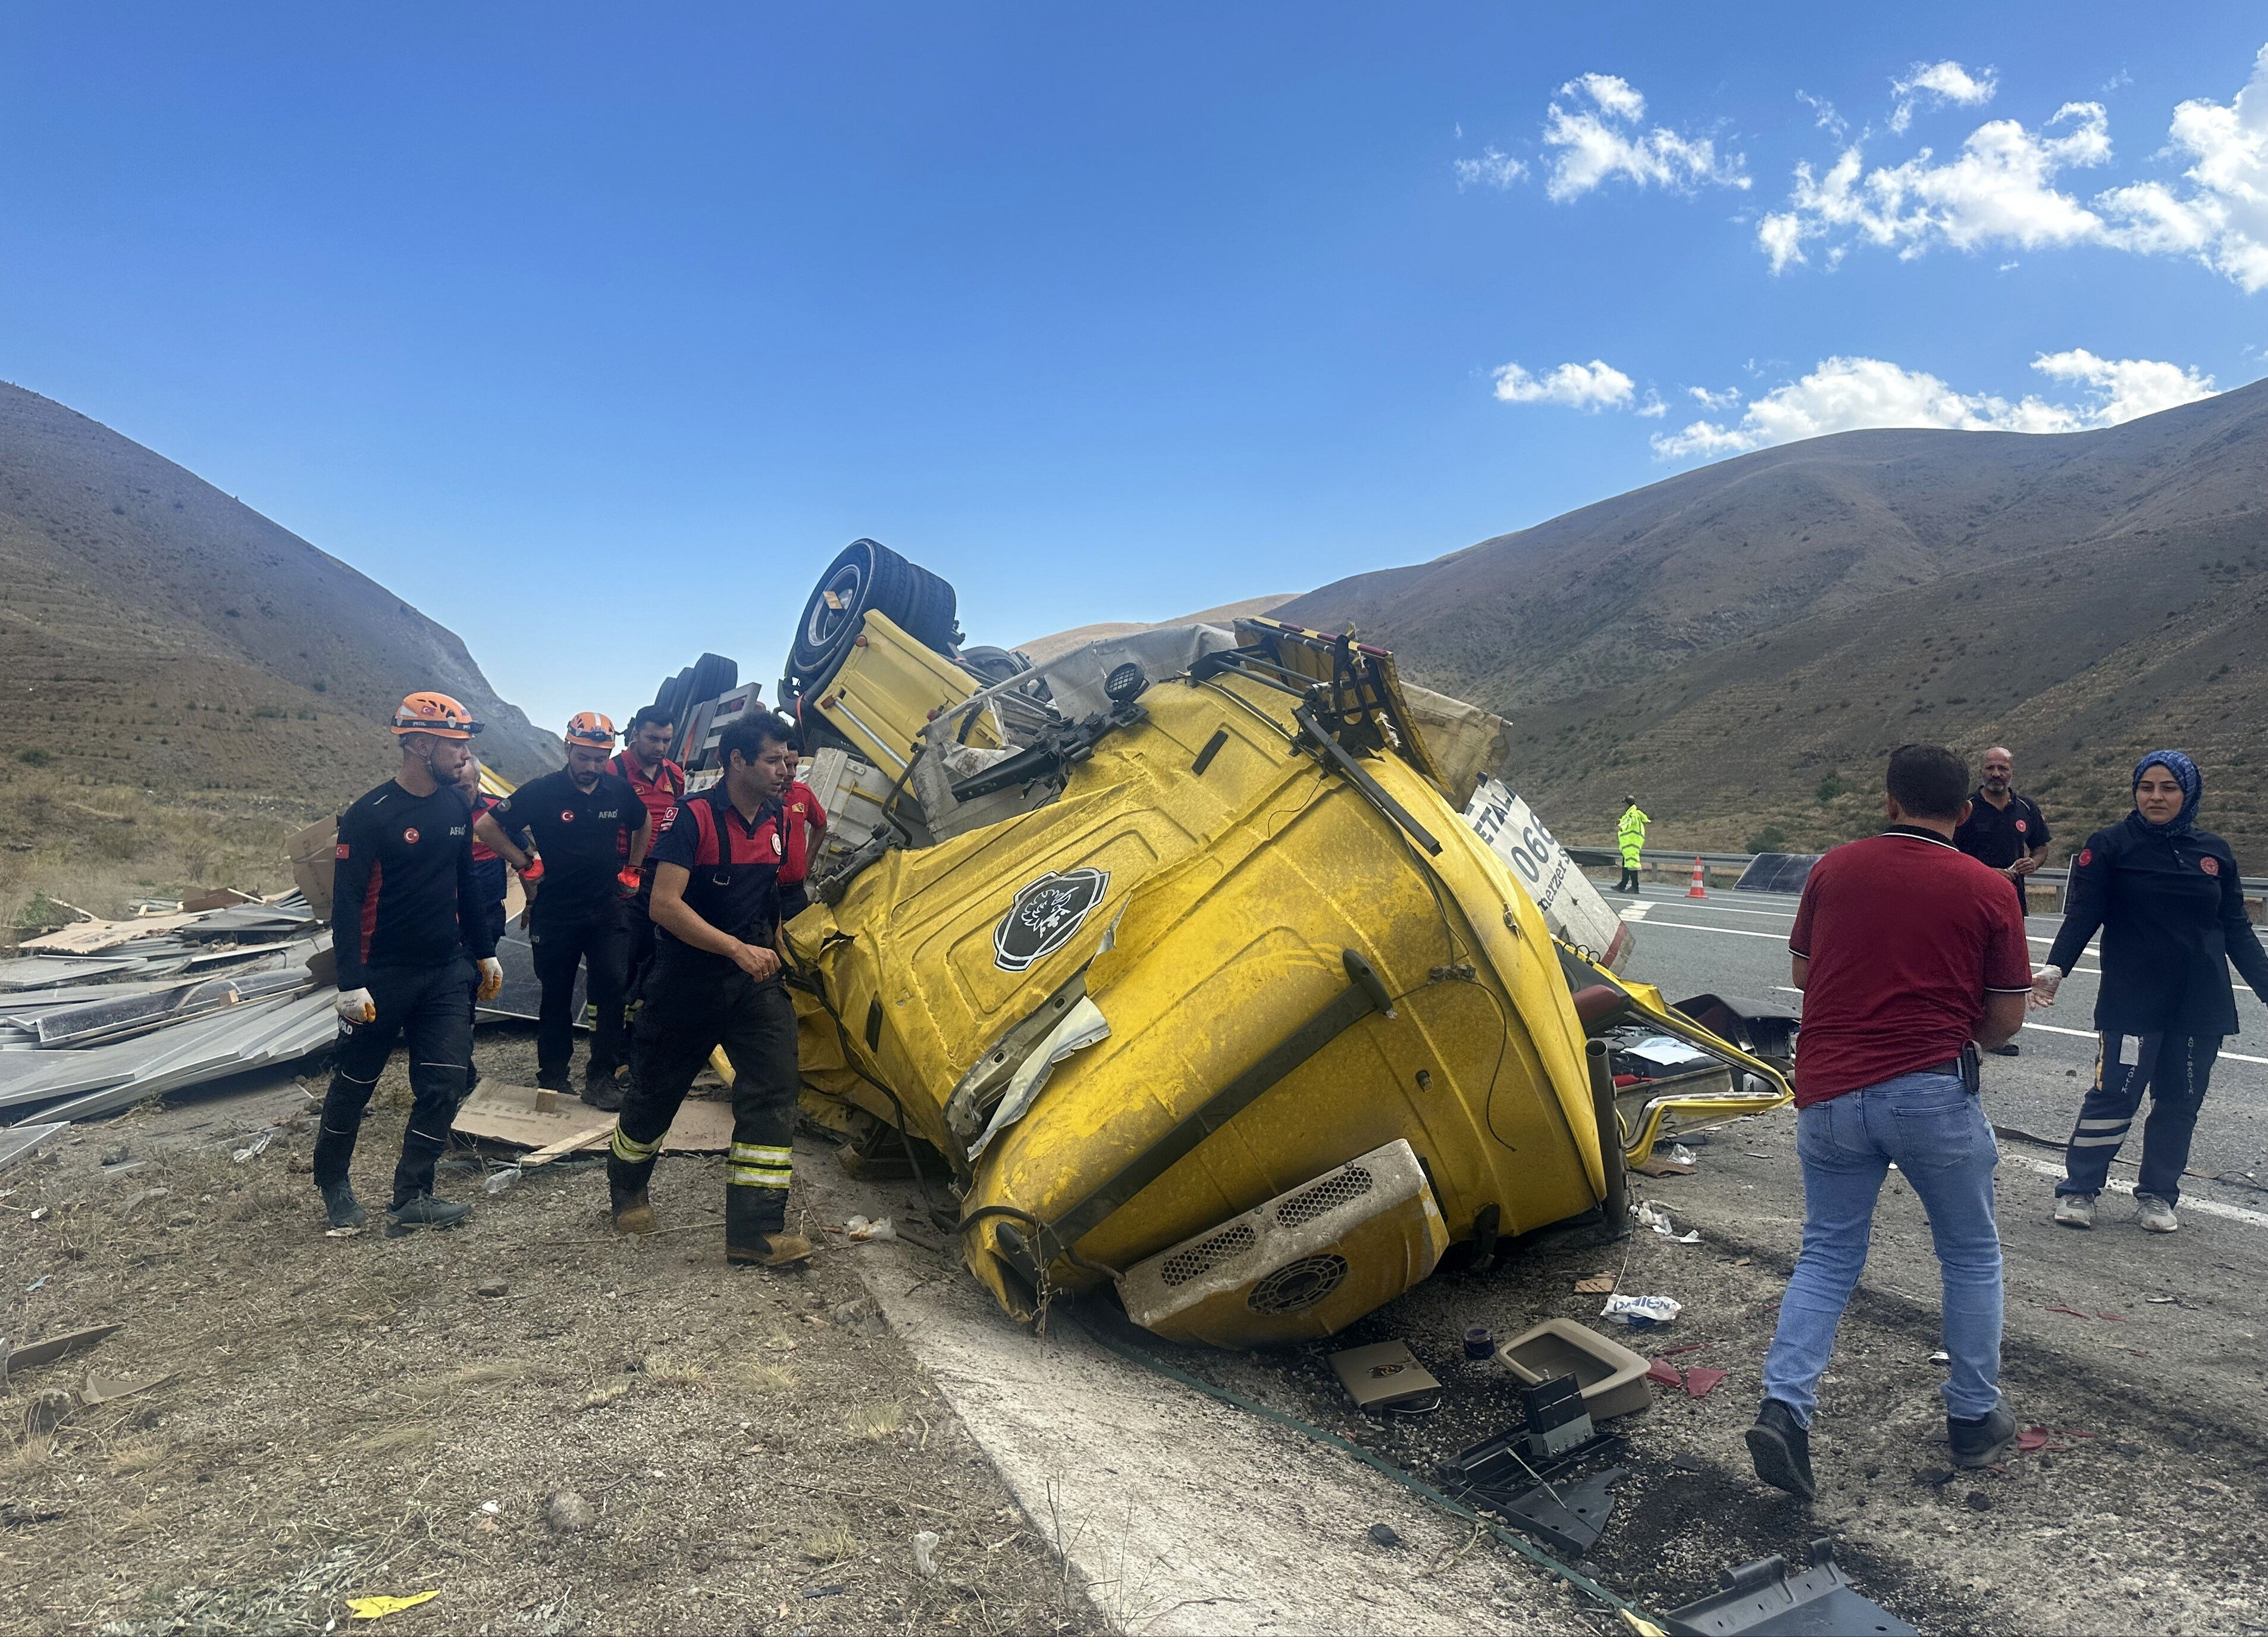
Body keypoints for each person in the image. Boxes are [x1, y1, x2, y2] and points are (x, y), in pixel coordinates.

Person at [1745, 744, 2030, 1501]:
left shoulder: (1832, 869)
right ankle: (1971, 1417)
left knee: (1826, 1255)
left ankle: (1783, 1409)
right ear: (1963, 812)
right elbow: (2004, 1019)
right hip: (1930, 1093)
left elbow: (1804, 971)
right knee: (1969, 1254)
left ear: (1888, 801)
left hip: (1829, 1094)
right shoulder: (1988, 888)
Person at [2032, 751, 2268, 1234]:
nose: (2156, 797)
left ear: (2188, 794)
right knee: (2114, 1095)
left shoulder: (2215, 852)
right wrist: (2055, 968)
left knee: (2179, 1103)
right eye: (2146, 787)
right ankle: (2079, 1189)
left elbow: (2238, 929)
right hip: (2131, 1000)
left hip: (2199, 1002)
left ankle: (2158, 1195)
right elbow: (2083, 914)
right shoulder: (2110, 845)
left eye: (2168, 788)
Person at [608, 710, 812, 1268]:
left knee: (774, 1088)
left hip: (754, 983)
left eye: (787, 759)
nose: (785, 770)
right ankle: (627, 1189)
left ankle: (755, 1232)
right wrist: (734, 948)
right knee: (656, 1093)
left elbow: (768, 895)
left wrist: (776, 948)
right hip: (687, 983)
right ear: (737, 760)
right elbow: (663, 905)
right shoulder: (692, 818)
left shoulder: (777, 818)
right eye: (773, 760)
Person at [315, 692, 505, 1237]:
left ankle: (413, 1194)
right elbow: (346, 903)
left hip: (445, 970)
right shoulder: (369, 815)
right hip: (380, 976)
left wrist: (485, 950)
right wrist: (350, 982)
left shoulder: (456, 808)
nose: (465, 756)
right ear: (420, 744)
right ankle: (333, 1182)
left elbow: (466, 883)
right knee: (355, 1084)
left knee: (445, 1083)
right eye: (456, 745)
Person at [477, 713, 651, 1110]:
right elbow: (487, 826)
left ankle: (601, 1077)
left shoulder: (618, 790)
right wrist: (524, 862)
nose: (592, 766)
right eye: (584, 757)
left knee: (612, 988)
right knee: (556, 994)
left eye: (600, 759)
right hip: (556, 911)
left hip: (607, 909)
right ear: (568, 747)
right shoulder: (542, 791)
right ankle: (553, 1077)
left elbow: (643, 823)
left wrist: (634, 869)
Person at [1953, 747, 2051, 1056]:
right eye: (1991, 768)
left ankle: (1994, 1034)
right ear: (1982, 770)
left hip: (2010, 901)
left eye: (2003, 769)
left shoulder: (2026, 808)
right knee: (1968, 964)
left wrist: (2034, 863)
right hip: (1970, 899)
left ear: (2012, 772)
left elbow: (2041, 847)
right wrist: (1985, 872)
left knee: (2002, 965)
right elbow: (1948, 850)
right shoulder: (1966, 807)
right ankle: (1961, 1028)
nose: (1996, 774)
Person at [609, 705, 687, 1012]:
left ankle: (637, 1022)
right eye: (653, 739)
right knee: (620, 951)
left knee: (652, 949)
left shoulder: (675, 775)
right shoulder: (613, 771)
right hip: (621, 871)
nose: (661, 747)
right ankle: (609, 1027)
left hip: (661, 874)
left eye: (667, 741)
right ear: (635, 734)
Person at [776, 771, 829, 921]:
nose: (792, 773)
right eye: (788, 765)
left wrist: (808, 864)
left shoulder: (802, 793)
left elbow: (821, 824)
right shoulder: (759, 796)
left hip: (794, 894)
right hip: (762, 894)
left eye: (795, 765)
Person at [1615, 797, 1648, 894]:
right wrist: (1620, 822)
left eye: (1624, 804)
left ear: (1627, 804)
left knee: (1632, 865)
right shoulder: (1630, 813)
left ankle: (1635, 887)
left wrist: (1621, 826)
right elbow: (1626, 821)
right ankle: (1622, 885)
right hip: (1629, 845)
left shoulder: (1632, 814)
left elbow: (1629, 822)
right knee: (1626, 864)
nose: (1623, 806)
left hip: (1632, 844)